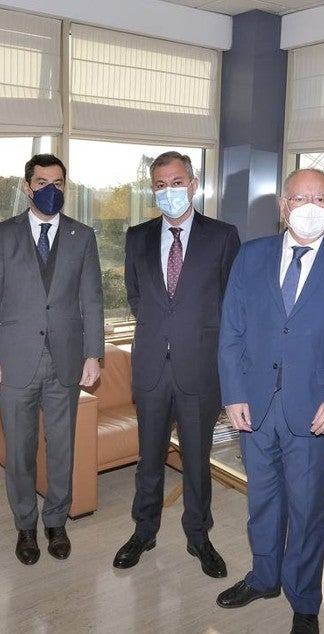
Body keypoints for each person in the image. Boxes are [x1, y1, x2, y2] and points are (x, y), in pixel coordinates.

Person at [215, 168, 324, 634]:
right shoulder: (251, 255)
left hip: (316, 411)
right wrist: (233, 393)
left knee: (308, 512)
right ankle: (264, 577)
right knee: (262, 502)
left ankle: (304, 601)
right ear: (283, 206)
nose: (310, 206)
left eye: (321, 198)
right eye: (300, 198)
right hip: (256, 406)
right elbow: (231, 332)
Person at [113, 151, 240, 578]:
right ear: (152, 189)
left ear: (194, 184)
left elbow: (232, 304)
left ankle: (199, 536)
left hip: (200, 369)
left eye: (177, 181)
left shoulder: (222, 236)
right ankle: (143, 531)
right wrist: (161, 330)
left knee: (197, 461)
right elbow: (136, 295)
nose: (169, 190)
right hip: (151, 367)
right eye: (161, 184)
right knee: (148, 458)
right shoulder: (137, 237)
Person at [0, 154, 104, 565]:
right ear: (27, 187)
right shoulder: (2, 235)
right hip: (15, 361)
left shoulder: (82, 236)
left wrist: (94, 354)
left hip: (66, 361)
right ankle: (26, 527)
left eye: (59, 183)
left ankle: (56, 522)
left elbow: (92, 301)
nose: (52, 190)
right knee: (20, 451)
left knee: (62, 448)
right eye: (43, 182)